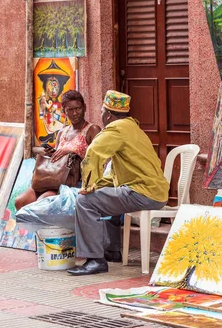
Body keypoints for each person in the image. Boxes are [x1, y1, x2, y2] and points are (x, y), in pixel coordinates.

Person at [67, 90, 169, 276]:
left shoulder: (116, 129)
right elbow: (114, 175)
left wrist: (88, 187)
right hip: (157, 193)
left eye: (102, 112)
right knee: (107, 197)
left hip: (142, 193)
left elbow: (93, 154)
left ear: (108, 114)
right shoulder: (134, 129)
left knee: (85, 202)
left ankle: (95, 260)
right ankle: (112, 251)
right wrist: (98, 186)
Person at [14, 90, 101, 210]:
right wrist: (51, 154)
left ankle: (49, 228)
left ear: (84, 107)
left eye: (78, 108)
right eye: (70, 110)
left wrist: (71, 153)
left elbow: (98, 161)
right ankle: (36, 229)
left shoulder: (92, 130)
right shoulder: (62, 132)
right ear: (64, 112)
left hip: (73, 182)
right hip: (53, 178)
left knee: (42, 202)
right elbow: (57, 160)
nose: (75, 113)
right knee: (20, 201)